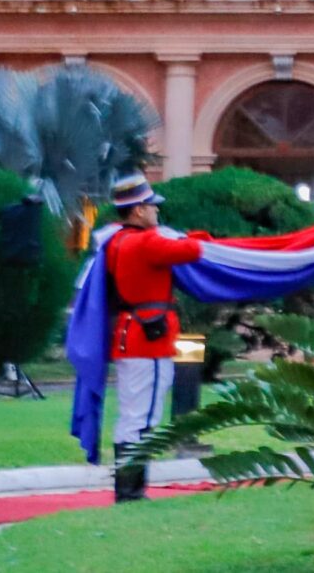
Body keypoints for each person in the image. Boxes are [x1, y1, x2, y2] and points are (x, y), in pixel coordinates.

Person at [101, 172, 206, 503]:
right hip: (148, 340)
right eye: (151, 206)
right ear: (137, 211)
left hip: (131, 335)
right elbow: (192, 250)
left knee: (134, 414)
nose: (156, 212)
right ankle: (131, 491)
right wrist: (191, 236)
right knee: (142, 416)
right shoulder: (145, 241)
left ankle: (129, 488)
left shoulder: (116, 240)